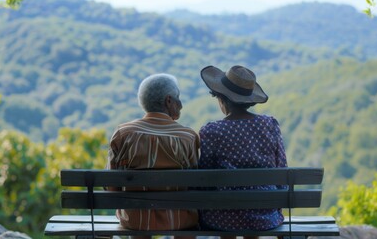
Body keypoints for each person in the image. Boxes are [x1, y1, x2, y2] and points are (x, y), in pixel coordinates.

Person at [198, 65, 288, 238]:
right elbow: (281, 169)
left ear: (222, 99)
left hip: (222, 217)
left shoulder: (212, 131)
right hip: (265, 215)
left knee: (226, 210)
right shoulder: (270, 125)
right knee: (251, 210)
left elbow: (205, 177)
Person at [106, 73, 199, 236]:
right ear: (169, 101)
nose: (181, 104)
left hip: (135, 220)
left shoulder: (123, 134)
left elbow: (111, 187)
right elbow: (196, 185)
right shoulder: (188, 137)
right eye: (178, 98)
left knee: (137, 216)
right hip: (180, 220)